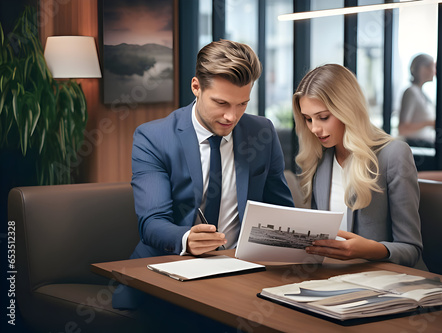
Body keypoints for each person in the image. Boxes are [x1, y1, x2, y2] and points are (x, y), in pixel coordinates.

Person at [113, 39, 294, 310]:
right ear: (196, 87)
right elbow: (151, 223)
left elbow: (281, 209)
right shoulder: (154, 138)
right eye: (221, 103)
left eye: (242, 104)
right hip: (171, 271)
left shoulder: (262, 132)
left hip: (244, 275)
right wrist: (187, 239)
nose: (231, 116)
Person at [293, 64, 425, 269]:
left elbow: (411, 249)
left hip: (383, 280)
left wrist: (367, 250)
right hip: (330, 277)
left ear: (347, 109)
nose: (314, 129)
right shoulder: (319, 159)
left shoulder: (394, 154)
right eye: (308, 119)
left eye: (323, 117)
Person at [398, 53, 436, 147]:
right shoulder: (411, 92)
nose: (435, 72)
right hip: (416, 146)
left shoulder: (421, 93)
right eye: (432, 67)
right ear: (423, 69)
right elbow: (402, 128)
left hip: (425, 144)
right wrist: (429, 123)